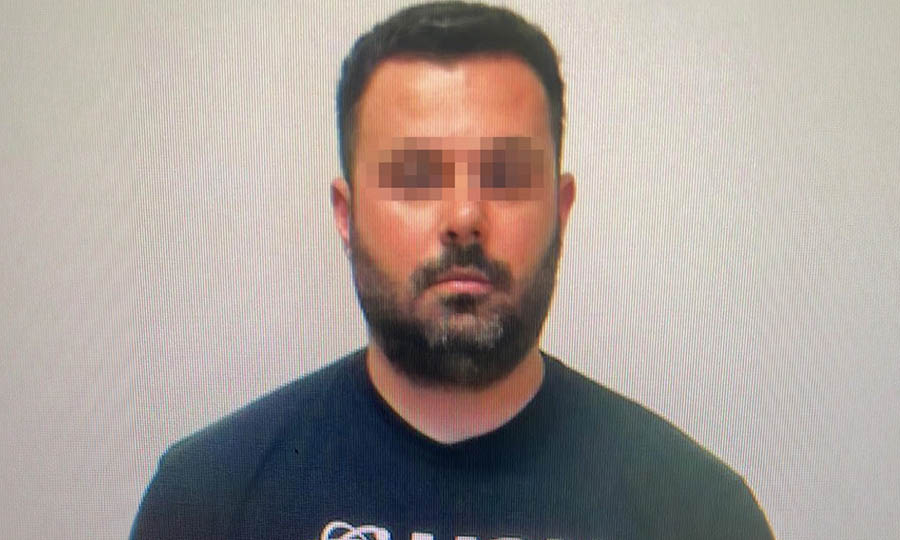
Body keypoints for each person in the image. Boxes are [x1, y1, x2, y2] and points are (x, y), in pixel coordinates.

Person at [130, 2, 774, 539]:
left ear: (561, 208)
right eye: (415, 175)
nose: (465, 217)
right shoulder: (209, 501)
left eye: (507, 175)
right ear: (347, 216)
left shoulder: (698, 514)